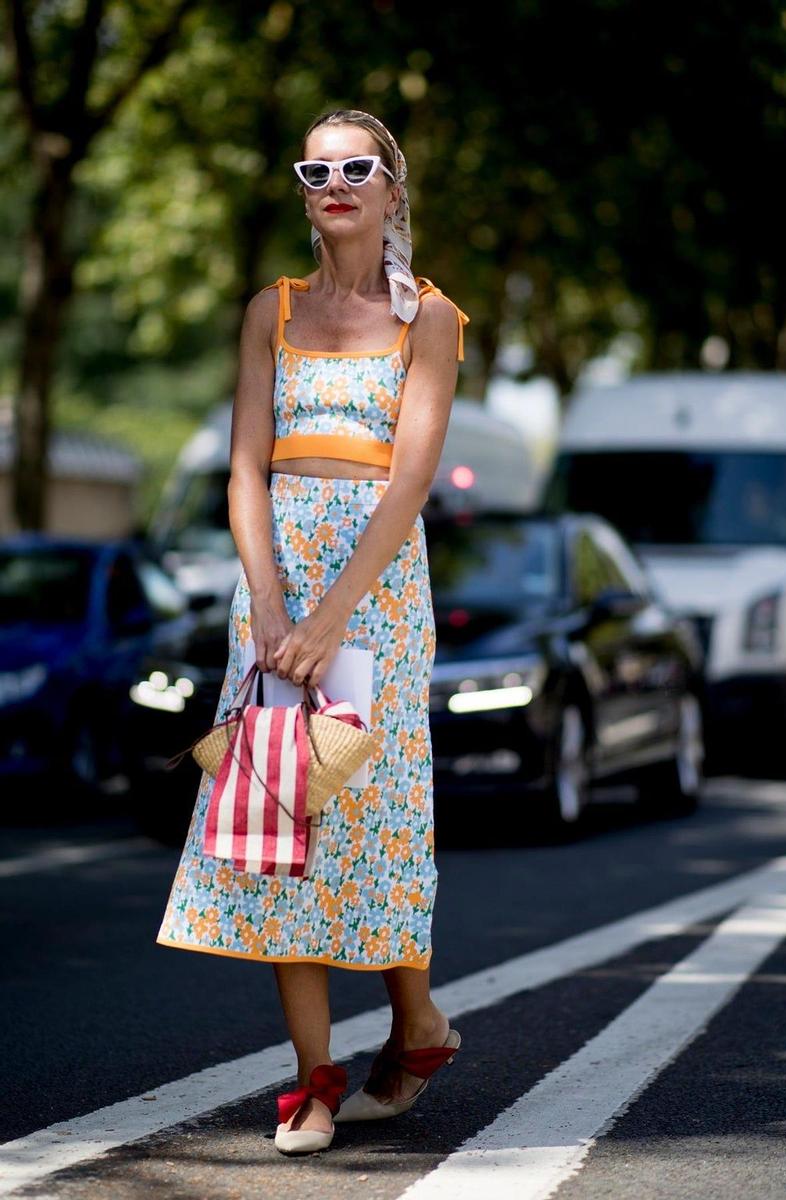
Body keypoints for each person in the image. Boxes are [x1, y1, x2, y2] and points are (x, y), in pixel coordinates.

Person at [155, 108, 470, 1156]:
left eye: (356, 167)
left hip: (377, 591)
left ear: (390, 188)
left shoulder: (430, 318)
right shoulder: (270, 309)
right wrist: (273, 608)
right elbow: (245, 471)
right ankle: (315, 1075)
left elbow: (409, 482)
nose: (334, 181)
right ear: (303, 191)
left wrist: (332, 611)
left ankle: (415, 1023)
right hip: (275, 585)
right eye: (316, 167)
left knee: (372, 811)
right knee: (281, 812)